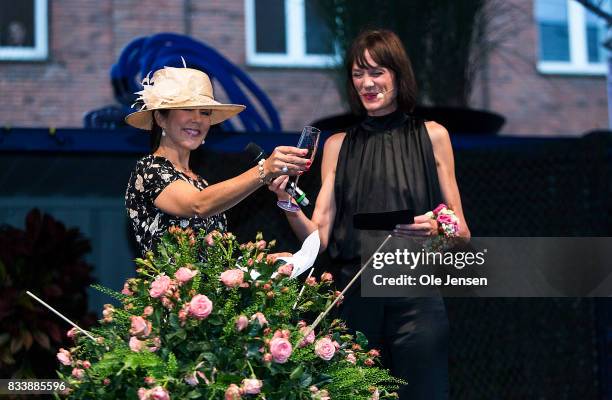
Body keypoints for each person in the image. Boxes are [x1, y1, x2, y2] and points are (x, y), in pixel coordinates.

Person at [269, 29, 471, 399]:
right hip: (354, 296)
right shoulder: (336, 144)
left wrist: (437, 228)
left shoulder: (433, 135)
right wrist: (288, 204)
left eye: (377, 72)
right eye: (358, 74)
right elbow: (320, 236)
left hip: (416, 297)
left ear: (398, 74)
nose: (367, 83)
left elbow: (461, 232)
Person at [125, 65, 308, 256]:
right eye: (188, 110)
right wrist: (266, 168)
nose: (198, 119)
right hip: (172, 287)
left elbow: (211, 263)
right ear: (160, 119)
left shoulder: (200, 182)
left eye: (205, 113)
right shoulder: (149, 170)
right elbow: (198, 205)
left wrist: (261, 265)